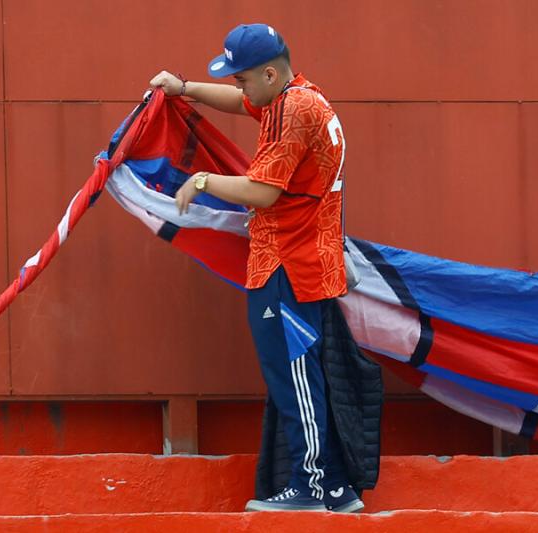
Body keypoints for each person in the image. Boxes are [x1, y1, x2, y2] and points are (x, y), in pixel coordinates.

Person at [150, 23, 362, 513]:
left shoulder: (292, 111)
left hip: (289, 263)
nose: (238, 88)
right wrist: (182, 89)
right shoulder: (295, 98)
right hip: (298, 258)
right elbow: (235, 103)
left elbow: (262, 192)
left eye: (242, 78)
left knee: (295, 379)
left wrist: (201, 179)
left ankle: (313, 488)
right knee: (300, 376)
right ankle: (333, 488)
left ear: (269, 73)